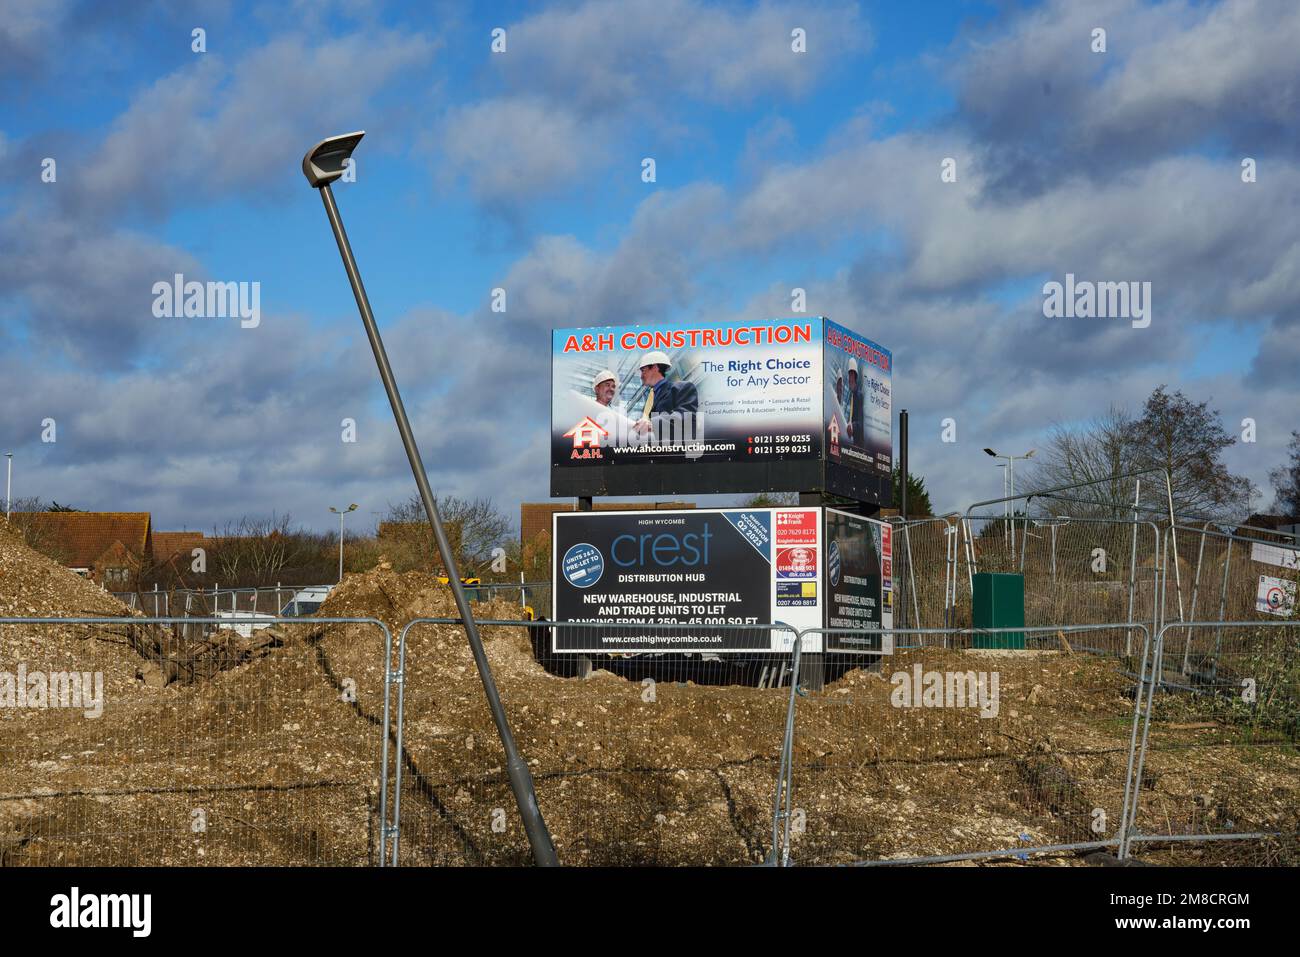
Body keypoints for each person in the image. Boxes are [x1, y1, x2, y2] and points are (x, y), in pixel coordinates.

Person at [633, 351, 697, 434]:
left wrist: (653, 424)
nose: (641, 376)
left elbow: (686, 416)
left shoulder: (682, 388)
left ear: (655, 368)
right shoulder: (649, 401)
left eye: (643, 370)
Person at [846, 357, 864, 447]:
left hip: (858, 445)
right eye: (849, 375)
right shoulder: (851, 395)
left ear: (854, 375)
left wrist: (852, 426)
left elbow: (861, 423)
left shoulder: (859, 395)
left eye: (851, 375)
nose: (849, 379)